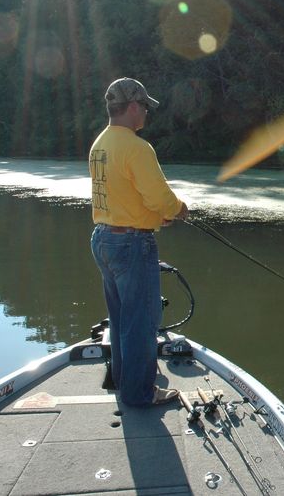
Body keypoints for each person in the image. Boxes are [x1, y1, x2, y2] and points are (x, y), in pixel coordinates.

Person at [89, 77, 189, 406]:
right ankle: (140, 393)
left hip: (103, 238)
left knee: (121, 321)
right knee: (142, 322)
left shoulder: (100, 144)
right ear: (132, 107)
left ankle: (123, 381)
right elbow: (159, 197)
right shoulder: (136, 147)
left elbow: (125, 196)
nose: (146, 113)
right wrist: (178, 211)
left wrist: (154, 217)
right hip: (132, 245)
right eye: (144, 107)